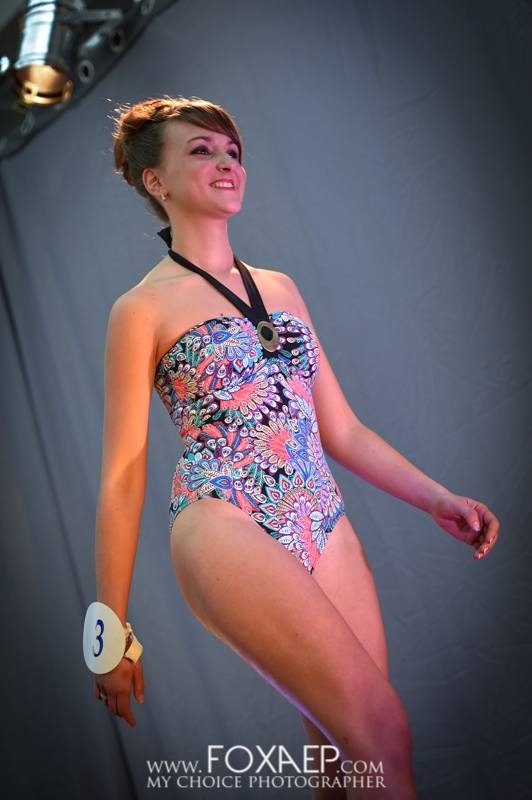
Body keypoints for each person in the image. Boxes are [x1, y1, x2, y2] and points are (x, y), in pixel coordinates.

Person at [91, 96, 499, 799]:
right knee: (382, 731)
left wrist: (436, 498)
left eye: (233, 151)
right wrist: (108, 630)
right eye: (201, 150)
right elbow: (123, 473)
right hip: (223, 517)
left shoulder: (279, 288)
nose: (226, 162)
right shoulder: (141, 309)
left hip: (321, 514)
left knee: (346, 760)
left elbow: (341, 429)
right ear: (155, 180)